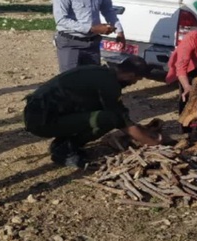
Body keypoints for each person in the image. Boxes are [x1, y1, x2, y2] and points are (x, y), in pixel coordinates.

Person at [23, 56, 161, 168]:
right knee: (108, 118)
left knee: (102, 113)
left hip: (41, 114)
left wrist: (141, 129)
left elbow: (118, 109)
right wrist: (153, 143)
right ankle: (64, 151)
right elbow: (122, 121)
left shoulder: (101, 72)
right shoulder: (109, 83)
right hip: (42, 121)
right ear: (129, 75)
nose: (135, 83)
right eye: (136, 79)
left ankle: (62, 143)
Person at [51, 0, 125, 72]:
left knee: (91, 80)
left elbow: (108, 10)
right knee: (70, 81)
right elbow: (61, 20)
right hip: (71, 43)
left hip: (92, 44)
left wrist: (119, 32)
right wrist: (93, 28)